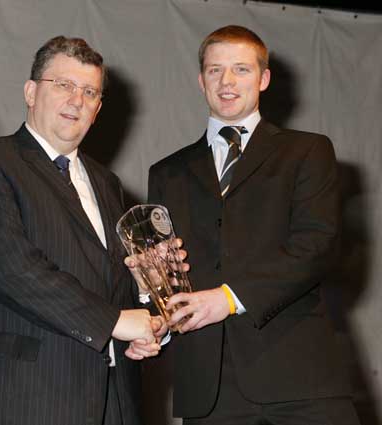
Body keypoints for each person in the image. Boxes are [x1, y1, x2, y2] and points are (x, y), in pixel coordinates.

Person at [145, 25, 361, 424]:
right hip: (209, 391)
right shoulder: (166, 172)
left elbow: (317, 246)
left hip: (299, 382)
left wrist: (226, 299)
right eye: (215, 70)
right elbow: (167, 269)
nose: (227, 82)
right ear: (200, 80)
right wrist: (152, 297)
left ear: (263, 79)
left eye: (241, 69)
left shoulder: (307, 151)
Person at [0, 36, 164, 425]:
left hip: (117, 399)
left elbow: (115, 284)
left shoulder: (108, 183)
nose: (76, 100)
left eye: (89, 92)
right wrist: (115, 322)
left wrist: (151, 292)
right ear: (31, 92)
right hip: (35, 395)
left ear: (98, 109)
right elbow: (13, 270)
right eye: (63, 85)